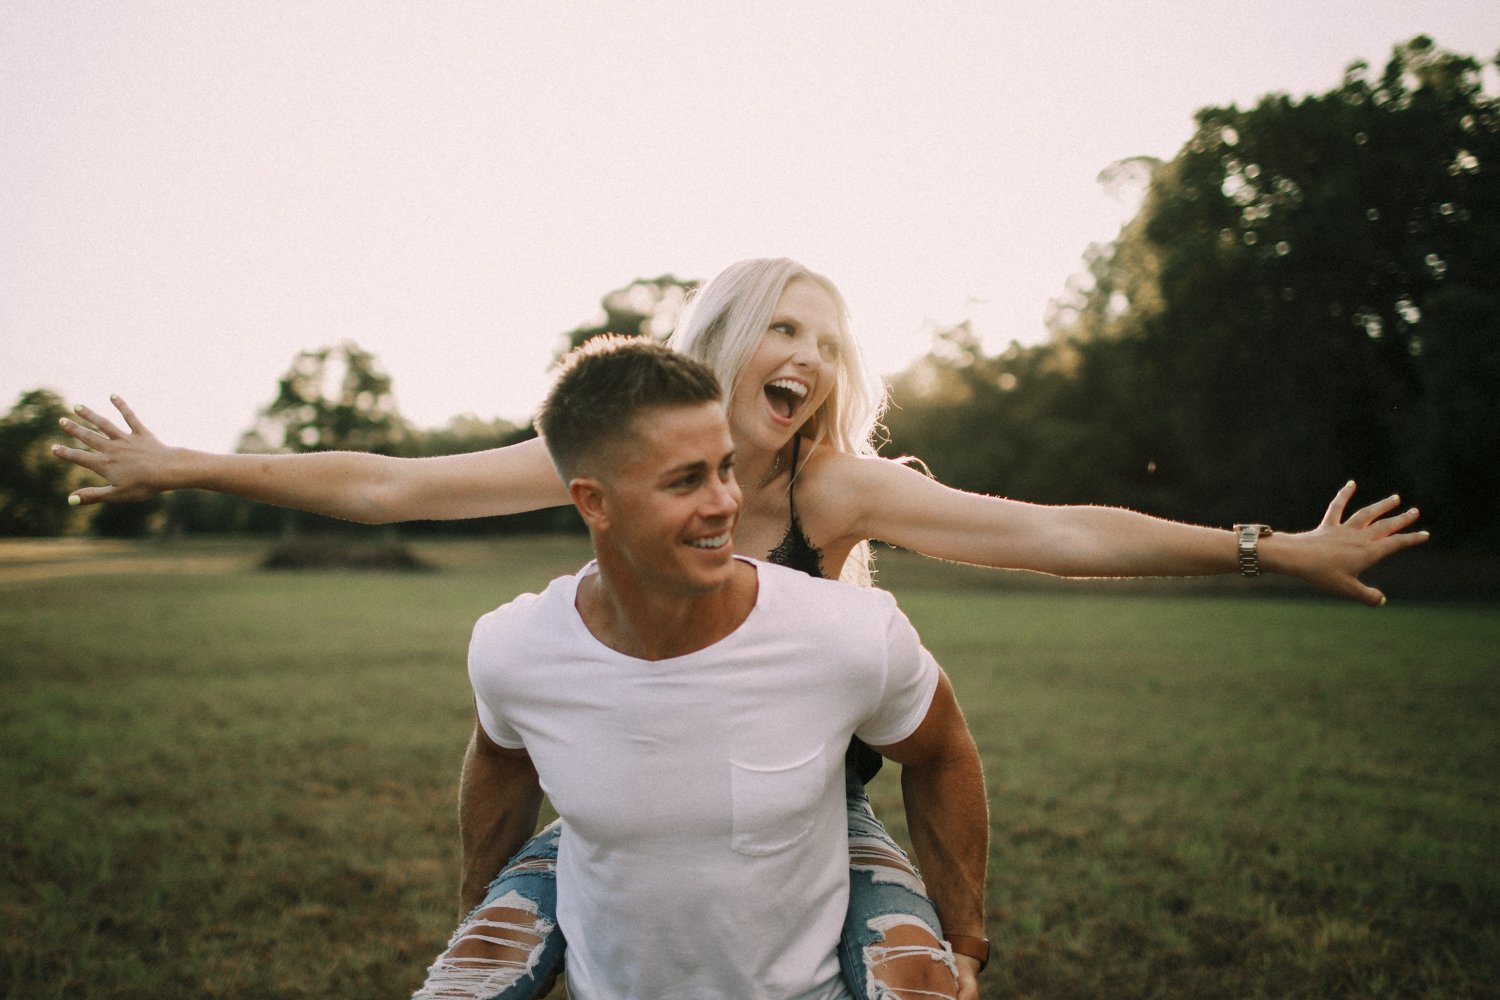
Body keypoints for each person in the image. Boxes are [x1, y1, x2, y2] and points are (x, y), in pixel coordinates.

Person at [54, 257, 1429, 997]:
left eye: (829, 339)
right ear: (720, 338)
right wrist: (186, 464)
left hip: (820, 826)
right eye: (784, 323)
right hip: (612, 824)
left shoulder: (832, 484)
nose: (812, 355)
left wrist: (1269, 548)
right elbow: (390, 482)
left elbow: (1059, 528)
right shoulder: (610, 451)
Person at [453, 335, 988, 998]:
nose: (724, 504)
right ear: (594, 502)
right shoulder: (517, 647)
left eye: (725, 469)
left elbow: (941, 750)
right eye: (685, 480)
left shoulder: (848, 633)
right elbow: (501, 759)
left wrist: (965, 938)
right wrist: (480, 923)